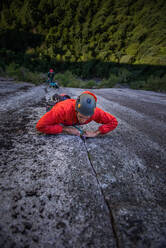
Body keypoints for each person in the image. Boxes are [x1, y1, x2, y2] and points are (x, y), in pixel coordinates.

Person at [36, 91, 118, 138]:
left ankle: (65, 97)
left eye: (87, 118)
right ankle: (59, 97)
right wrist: (65, 129)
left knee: (66, 98)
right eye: (81, 117)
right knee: (56, 101)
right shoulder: (62, 110)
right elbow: (40, 126)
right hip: (61, 104)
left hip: (69, 105)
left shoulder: (95, 112)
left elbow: (113, 122)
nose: (83, 121)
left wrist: (96, 133)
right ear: (76, 110)